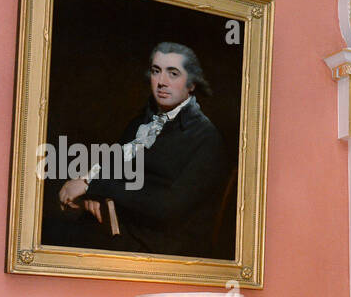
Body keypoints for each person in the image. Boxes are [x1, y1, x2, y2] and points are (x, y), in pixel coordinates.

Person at [56, 42, 232, 258]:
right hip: (123, 228)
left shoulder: (206, 138)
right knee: (56, 230)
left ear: (192, 84)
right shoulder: (141, 122)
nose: (162, 82)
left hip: (164, 249)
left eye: (173, 73)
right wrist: (92, 189)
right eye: (156, 71)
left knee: (64, 239)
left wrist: (94, 187)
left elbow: (166, 208)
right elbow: (113, 169)